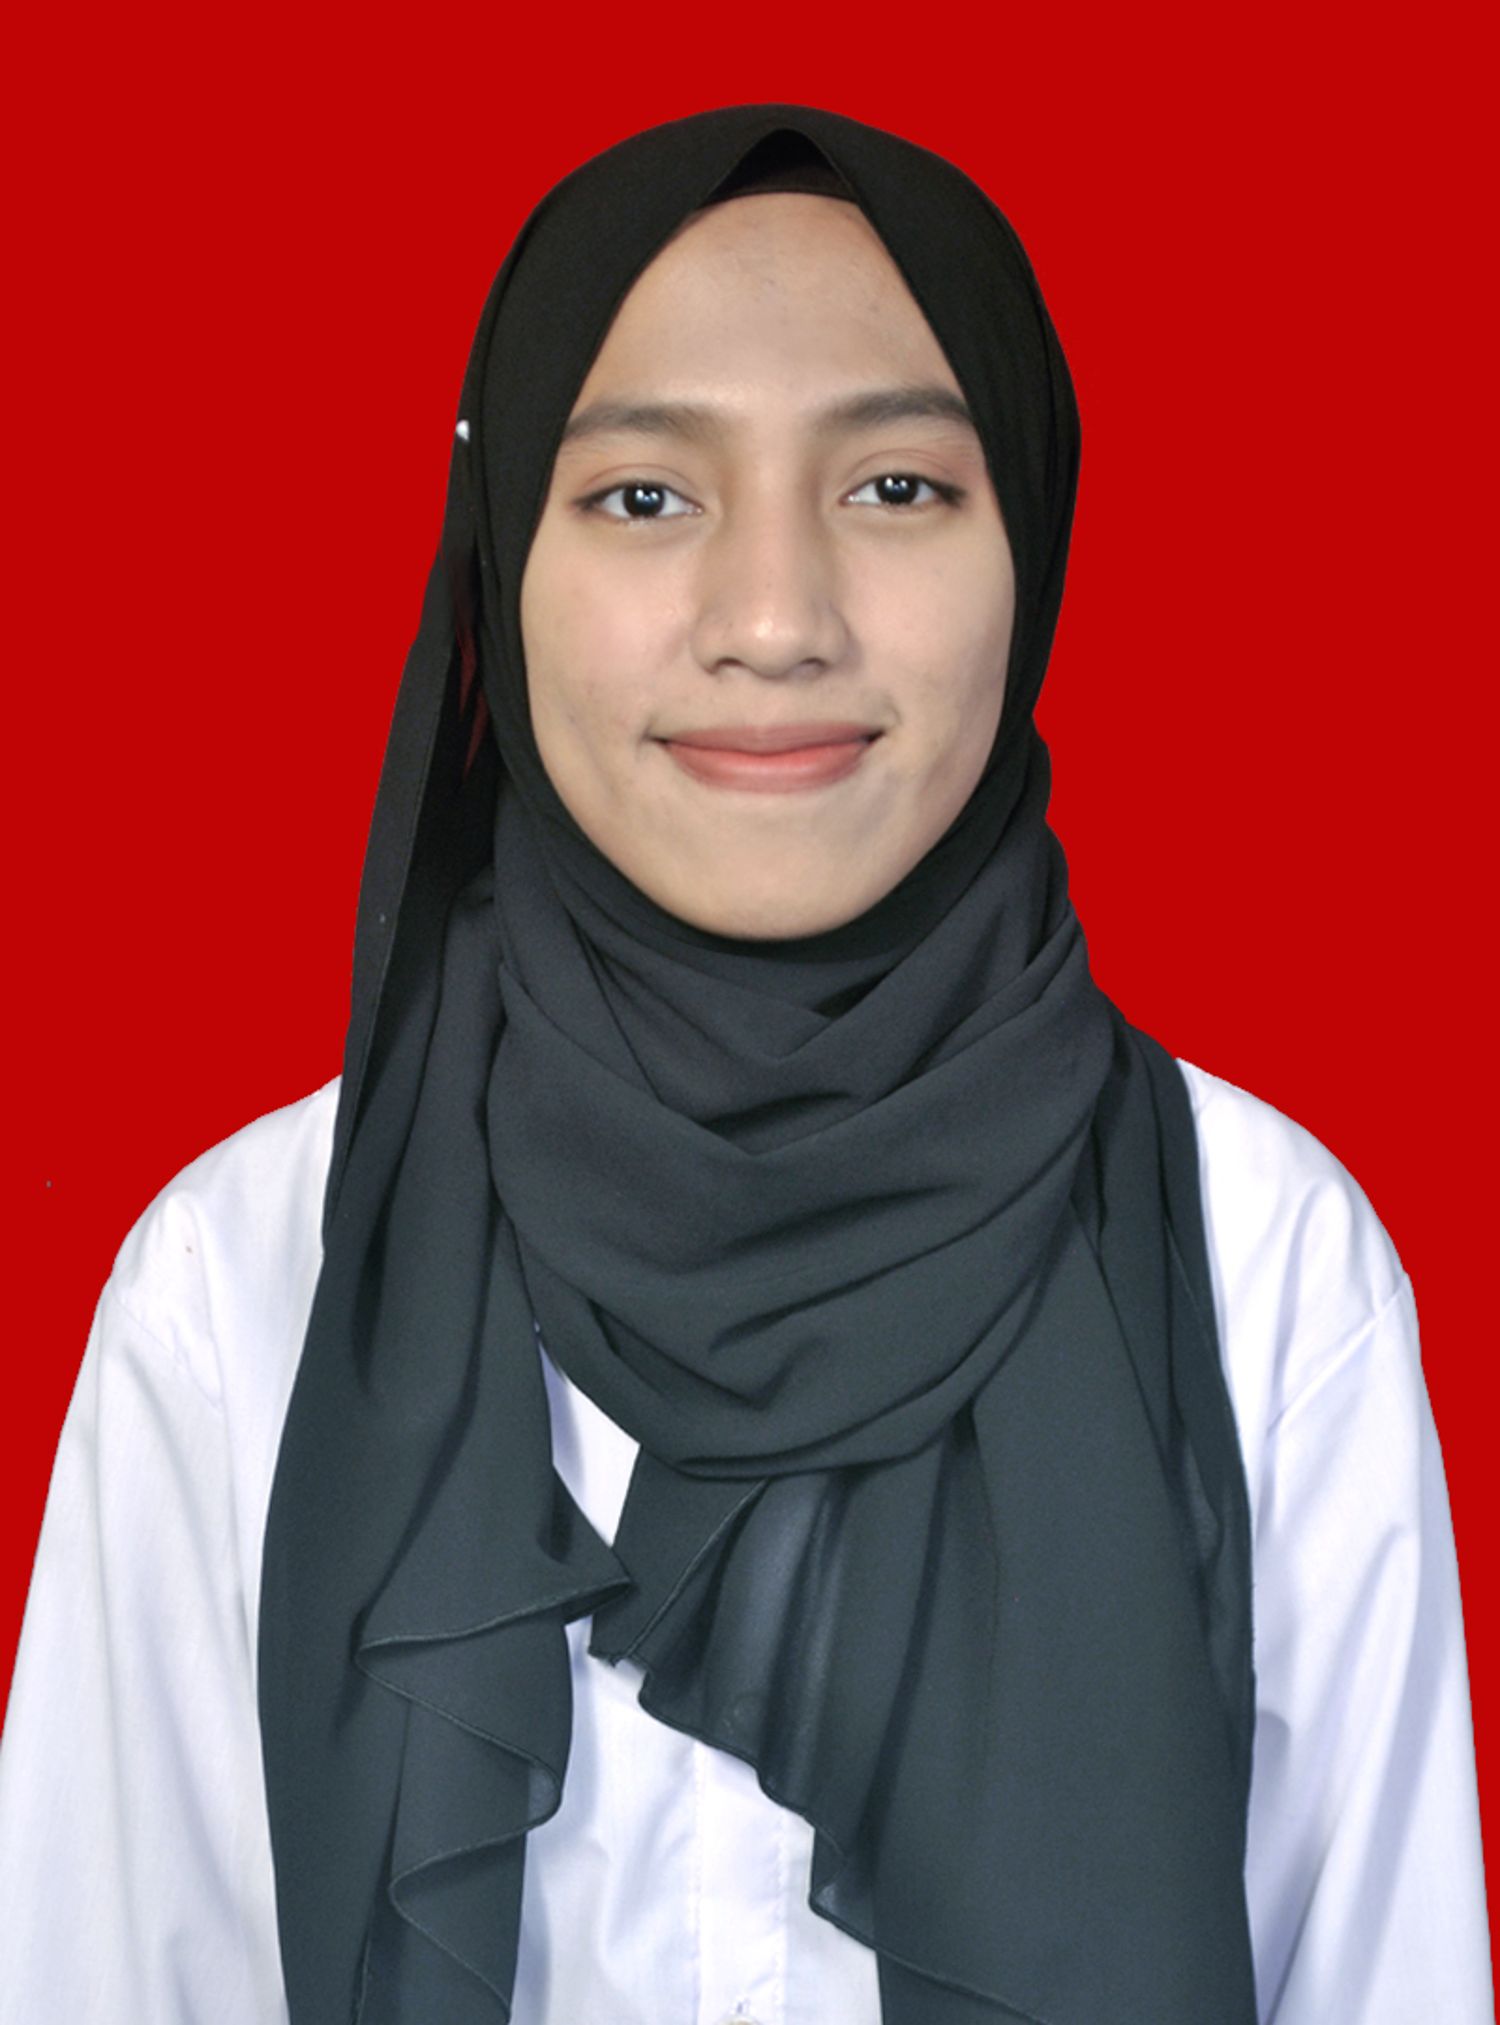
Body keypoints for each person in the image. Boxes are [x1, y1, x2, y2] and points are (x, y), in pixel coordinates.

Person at [0, 103, 1490, 2025]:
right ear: (501, 557)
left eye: (896, 486)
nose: (775, 621)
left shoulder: (1268, 1263)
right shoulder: (245, 1286)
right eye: (644, 497)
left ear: (1033, 538)